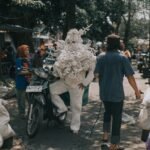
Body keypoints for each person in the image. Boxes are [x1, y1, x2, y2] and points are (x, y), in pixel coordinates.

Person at [94, 34, 141, 150]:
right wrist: (137, 91)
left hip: (104, 93)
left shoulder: (100, 57)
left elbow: (96, 75)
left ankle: (105, 138)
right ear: (118, 44)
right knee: (116, 118)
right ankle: (113, 145)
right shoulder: (122, 58)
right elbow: (130, 77)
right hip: (117, 93)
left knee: (107, 113)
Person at [50, 29, 96, 134]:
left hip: (77, 85)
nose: (72, 44)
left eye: (74, 42)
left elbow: (92, 72)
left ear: (79, 41)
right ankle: (62, 108)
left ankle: (75, 127)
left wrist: (85, 83)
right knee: (52, 90)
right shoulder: (63, 54)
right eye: (69, 42)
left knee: (76, 107)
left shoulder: (87, 55)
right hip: (65, 82)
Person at [15, 44, 31, 119]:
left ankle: (30, 113)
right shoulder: (19, 60)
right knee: (21, 100)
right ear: (22, 51)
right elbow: (19, 72)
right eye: (26, 50)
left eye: (28, 50)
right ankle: (22, 113)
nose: (28, 52)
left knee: (29, 99)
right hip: (21, 82)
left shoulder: (28, 59)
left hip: (28, 82)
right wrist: (29, 72)